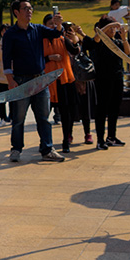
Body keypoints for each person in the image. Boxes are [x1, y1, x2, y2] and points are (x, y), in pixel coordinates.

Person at [2, 0, 67, 162]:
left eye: (30, 8)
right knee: (18, 118)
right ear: (16, 12)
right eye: (25, 8)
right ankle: (16, 149)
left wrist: (59, 24)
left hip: (40, 81)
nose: (29, 11)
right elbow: (6, 58)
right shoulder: (11, 34)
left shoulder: (37, 29)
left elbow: (56, 33)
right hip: (21, 81)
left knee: (44, 117)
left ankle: (47, 149)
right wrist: (10, 80)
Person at [82, 16, 130, 150]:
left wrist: (124, 37)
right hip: (103, 80)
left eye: (114, 28)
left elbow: (127, 52)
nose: (113, 30)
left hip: (117, 78)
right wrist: (107, 27)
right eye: (111, 28)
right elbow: (96, 38)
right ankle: (100, 139)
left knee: (115, 109)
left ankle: (111, 137)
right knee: (102, 109)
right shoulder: (99, 42)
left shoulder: (117, 42)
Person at [42, 14, 79, 157]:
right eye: (50, 23)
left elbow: (75, 51)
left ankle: (66, 140)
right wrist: (49, 58)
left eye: (54, 23)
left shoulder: (62, 38)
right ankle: (45, 143)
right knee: (44, 114)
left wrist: (75, 40)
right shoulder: (40, 40)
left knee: (66, 113)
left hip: (64, 80)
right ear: (44, 25)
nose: (52, 26)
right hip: (47, 81)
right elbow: (36, 58)